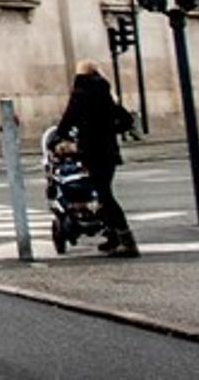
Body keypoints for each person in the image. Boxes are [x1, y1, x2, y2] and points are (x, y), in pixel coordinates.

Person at [56, 60, 136, 256]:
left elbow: (70, 116)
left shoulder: (81, 90)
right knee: (102, 193)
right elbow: (127, 121)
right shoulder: (106, 92)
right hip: (109, 151)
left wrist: (60, 136)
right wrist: (109, 130)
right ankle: (114, 237)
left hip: (92, 151)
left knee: (104, 195)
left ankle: (126, 240)